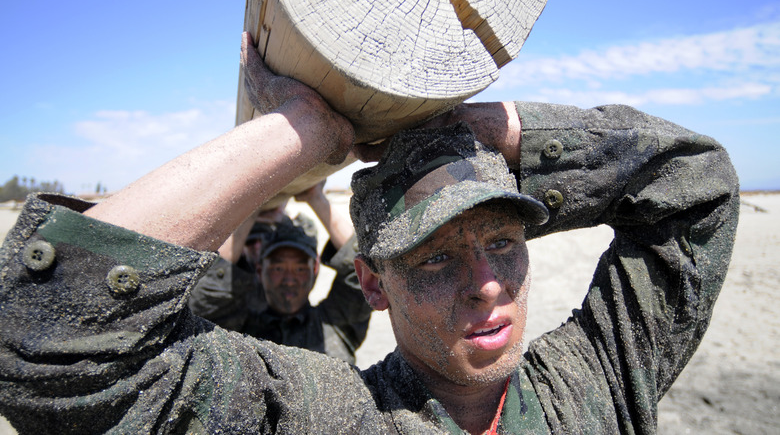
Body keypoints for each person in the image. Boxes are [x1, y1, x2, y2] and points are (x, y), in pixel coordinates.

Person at [0, 30, 738, 434]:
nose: (486, 283)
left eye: (504, 243)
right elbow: (47, 350)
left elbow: (695, 189)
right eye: (437, 257)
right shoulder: (337, 416)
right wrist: (297, 134)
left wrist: (509, 132)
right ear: (372, 284)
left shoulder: (593, 384)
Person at [189, 181, 372, 364]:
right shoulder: (235, 331)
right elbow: (210, 291)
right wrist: (252, 210)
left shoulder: (335, 325)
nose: (289, 280)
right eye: (278, 268)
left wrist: (316, 198)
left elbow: (362, 272)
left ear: (315, 269)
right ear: (260, 270)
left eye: (300, 268)